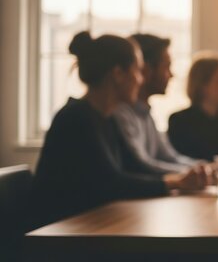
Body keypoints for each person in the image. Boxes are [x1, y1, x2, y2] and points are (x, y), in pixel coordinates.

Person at [31, 32, 207, 229]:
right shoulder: (76, 118)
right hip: (60, 235)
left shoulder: (106, 118)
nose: (141, 80)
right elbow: (112, 183)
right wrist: (174, 183)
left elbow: (134, 167)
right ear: (118, 74)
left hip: (87, 225)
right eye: (138, 71)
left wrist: (180, 180)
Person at [113, 34, 202, 175]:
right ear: (146, 70)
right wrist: (192, 174)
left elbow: (169, 157)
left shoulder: (145, 113)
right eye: (166, 67)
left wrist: (208, 168)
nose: (171, 75)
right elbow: (142, 166)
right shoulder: (121, 113)